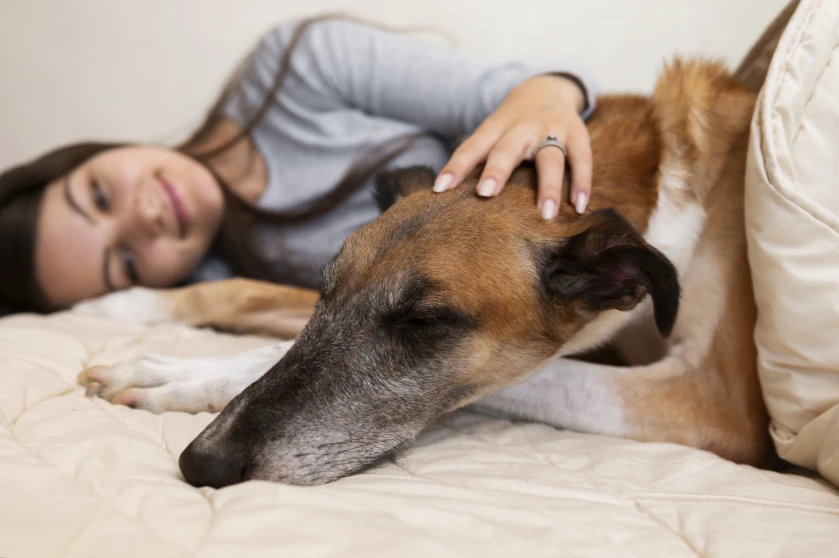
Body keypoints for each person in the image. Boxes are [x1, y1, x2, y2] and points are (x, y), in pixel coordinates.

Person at [0, 16, 597, 314]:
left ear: (94, 153)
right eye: (126, 262)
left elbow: (520, 93)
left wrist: (546, 96)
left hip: (586, 219)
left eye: (100, 196)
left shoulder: (298, 68)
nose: (143, 218)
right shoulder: (218, 293)